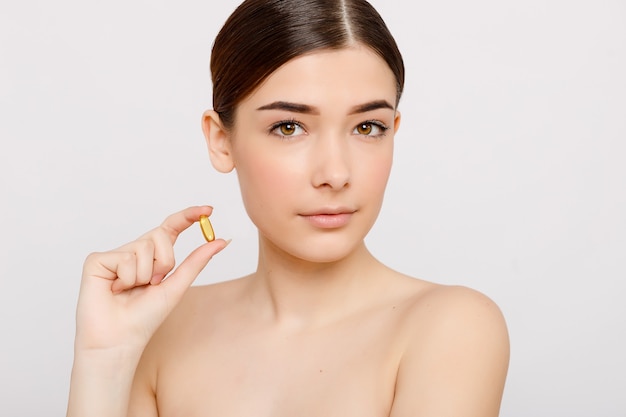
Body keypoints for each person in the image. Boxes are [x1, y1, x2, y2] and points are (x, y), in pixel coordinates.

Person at [66, 0, 510, 416]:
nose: (335, 173)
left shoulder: (452, 328)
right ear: (221, 141)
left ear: (394, 130)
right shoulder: (159, 330)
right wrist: (104, 362)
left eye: (367, 127)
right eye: (289, 127)